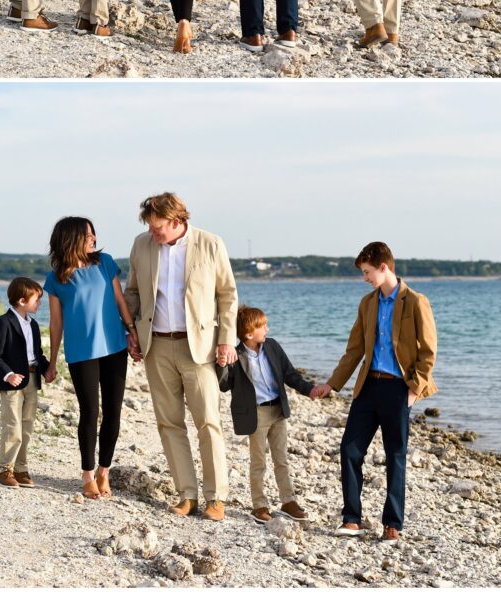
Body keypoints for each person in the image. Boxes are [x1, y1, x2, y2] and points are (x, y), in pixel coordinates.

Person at [311, 241, 438, 541]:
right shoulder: (367, 304)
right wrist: (332, 383)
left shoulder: (416, 301)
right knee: (350, 449)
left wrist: (413, 391)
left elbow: (429, 352)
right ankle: (352, 519)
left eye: (367, 272)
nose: (365, 278)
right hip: (368, 388)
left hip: (398, 389)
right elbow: (354, 349)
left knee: (395, 455)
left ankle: (392, 524)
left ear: (384, 267)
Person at [123, 192, 238, 521]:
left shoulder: (210, 243)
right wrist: (130, 332)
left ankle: (216, 497)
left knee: (208, 422)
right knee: (169, 423)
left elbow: (227, 296)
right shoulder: (141, 245)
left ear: (177, 221)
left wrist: (226, 340)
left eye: (158, 227)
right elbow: (132, 292)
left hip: (199, 348)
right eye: (149, 226)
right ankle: (186, 494)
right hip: (156, 346)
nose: (153, 233)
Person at [44, 216, 139, 499]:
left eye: (93, 234)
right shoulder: (57, 277)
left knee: (113, 412)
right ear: (70, 238)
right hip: (81, 353)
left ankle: (103, 471)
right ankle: (86, 474)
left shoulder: (105, 262)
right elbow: (56, 324)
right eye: (87, 235)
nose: (93, 239)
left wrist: (132, 331)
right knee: (89, 412)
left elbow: (120, 301)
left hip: (115, 347)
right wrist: (51, 361)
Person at [217, 305, 314, 523]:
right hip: (255, 414)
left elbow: (290, 374)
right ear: (249, 334)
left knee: (281, 459)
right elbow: (224, 385)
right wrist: (222, 363)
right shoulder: (236, 354)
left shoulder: (273, 347)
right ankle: (259, 505)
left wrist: (309, 390)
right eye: (263, 327)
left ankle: (288, 501)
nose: (268, 330)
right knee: (258, 461)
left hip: (277, 410)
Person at [0, 277, 53, 488]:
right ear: (22, 300)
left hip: (32, 379)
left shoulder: (33, 325)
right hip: (12, 383)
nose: (40, 303)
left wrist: (47, 369)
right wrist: (8, 375)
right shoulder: (2, 322)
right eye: (37, 299)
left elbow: (37, 354)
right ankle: (4, 470)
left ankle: (20, 468)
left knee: (27, 427)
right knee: (12, 426)